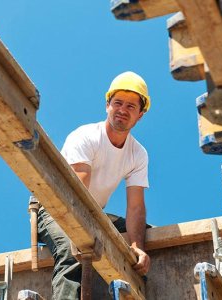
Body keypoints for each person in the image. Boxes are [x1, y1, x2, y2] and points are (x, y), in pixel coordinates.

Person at [37, 71, 151, 299]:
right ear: (107, 106)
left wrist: (137, 246)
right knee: (73, 249)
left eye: (131, 106)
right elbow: (77, 194)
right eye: (118, 103)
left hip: (94, 215)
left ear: (140, 115)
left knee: (148, 235)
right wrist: (86, 233)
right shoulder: (86, 136)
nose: (122, 110)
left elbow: (136, 207)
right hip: (57, 209)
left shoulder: (137, 154)